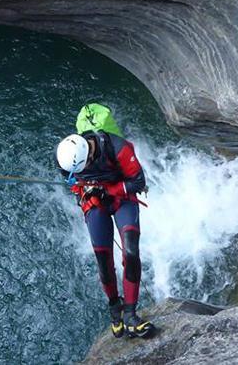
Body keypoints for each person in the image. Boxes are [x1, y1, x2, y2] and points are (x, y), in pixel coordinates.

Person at [56, 128, 155, 339]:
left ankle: (130, 314)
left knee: (130, 252)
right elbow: (71, 182)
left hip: (122, 200)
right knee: (103, 260)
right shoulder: (64, 158)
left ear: (90, 154)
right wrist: (81, 190)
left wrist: (108, 190)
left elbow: (138, 182)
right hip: (95, 202)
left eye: (87, 165)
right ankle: (114, 309)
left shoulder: (118, 148)